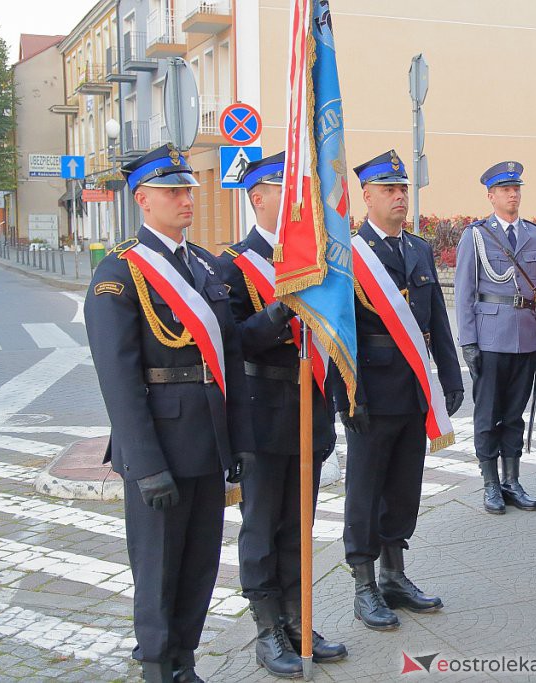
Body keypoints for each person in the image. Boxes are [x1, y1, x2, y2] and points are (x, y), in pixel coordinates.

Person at [84, 143, 254, 683]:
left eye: (188, 190)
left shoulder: (203, 264)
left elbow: (229, 358)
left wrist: (241, 442)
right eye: (174, 191)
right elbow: (119, 380)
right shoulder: (121, 271)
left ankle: (185, 662)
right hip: (160, 443)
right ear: (143, 198)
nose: (186, 199)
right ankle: (157, 666)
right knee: (158, 567)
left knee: (201, 563)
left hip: (208, 439)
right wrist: (144, 462)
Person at [216, 152, 346, 677]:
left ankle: (298, 616)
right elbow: (237, 341)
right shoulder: (231, 264)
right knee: (263, 525)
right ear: (257, 197)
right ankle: (267, 625)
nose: (296, 200)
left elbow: (332, 339)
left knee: (301, 525)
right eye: (283, 188)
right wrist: (282, 305)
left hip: (308, 406)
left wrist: (332, 409)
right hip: (261, 412)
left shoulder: (316, 259)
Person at [337, 150, 464, 629]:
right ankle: (364, 584)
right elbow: (337, 334)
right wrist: (346, 394)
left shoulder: (418, 250)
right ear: (366, 196)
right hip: (369, 390)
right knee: (365, 490)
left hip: (413, 390)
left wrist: (449, 378)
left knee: (404, 485)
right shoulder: (349, 256)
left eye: (403, 189)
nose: (399, 197)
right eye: (389, 189)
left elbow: (435, 323)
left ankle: (395, 575)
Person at [455, 161, 536, 514]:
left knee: (515, 413)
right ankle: (490, 483)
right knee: (488, 415)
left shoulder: (535, 236)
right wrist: (468, 342)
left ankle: (512, 481)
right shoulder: (477, 236)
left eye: (516, 189)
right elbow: (465, 291)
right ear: (491, 196)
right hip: (490, 338)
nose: (513, 194)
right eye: (505, 189)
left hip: (527, 337)